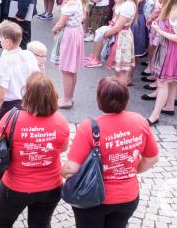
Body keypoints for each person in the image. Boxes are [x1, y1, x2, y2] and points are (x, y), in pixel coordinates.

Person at [62, 77, 159, 228]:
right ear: (126, 99)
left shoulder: (88, 127)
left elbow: (70, 169)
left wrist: (60, 173)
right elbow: (152, 158)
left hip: (92, 197)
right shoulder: (140, 121)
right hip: (128, 197)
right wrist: (131, 170)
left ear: (99, 100)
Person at [0, 72, 69, 228]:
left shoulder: (11, 118)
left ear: (26, 94)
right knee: (41, 224)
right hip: (51, 186)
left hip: (15, 186)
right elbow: (63, 149)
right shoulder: (61, 121)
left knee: (1, 224)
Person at [0, 21, 38, 206]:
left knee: (1, 149)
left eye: (0, 39)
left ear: (8, 41)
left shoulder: (5, 59)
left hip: (9, 106)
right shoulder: (28, 54)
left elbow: (2, 94)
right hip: (27, 102)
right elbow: (35, 78)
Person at [143, 0, 177, 125]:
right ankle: (169, 106)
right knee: (172, 80)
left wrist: (159, 31)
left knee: (162, 82)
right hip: (172, 47)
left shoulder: (175, 13)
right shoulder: (174, 9)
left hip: (171, 48)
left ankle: (155, 115)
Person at [52, 0, 86, 108]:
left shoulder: (71, 4)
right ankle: (69, 97)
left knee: (66, 69)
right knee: (72, 69)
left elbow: (60, 23)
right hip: (76, 32)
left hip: (70, 34)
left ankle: (66, 99)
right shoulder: (79, 0)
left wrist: (54, 30)